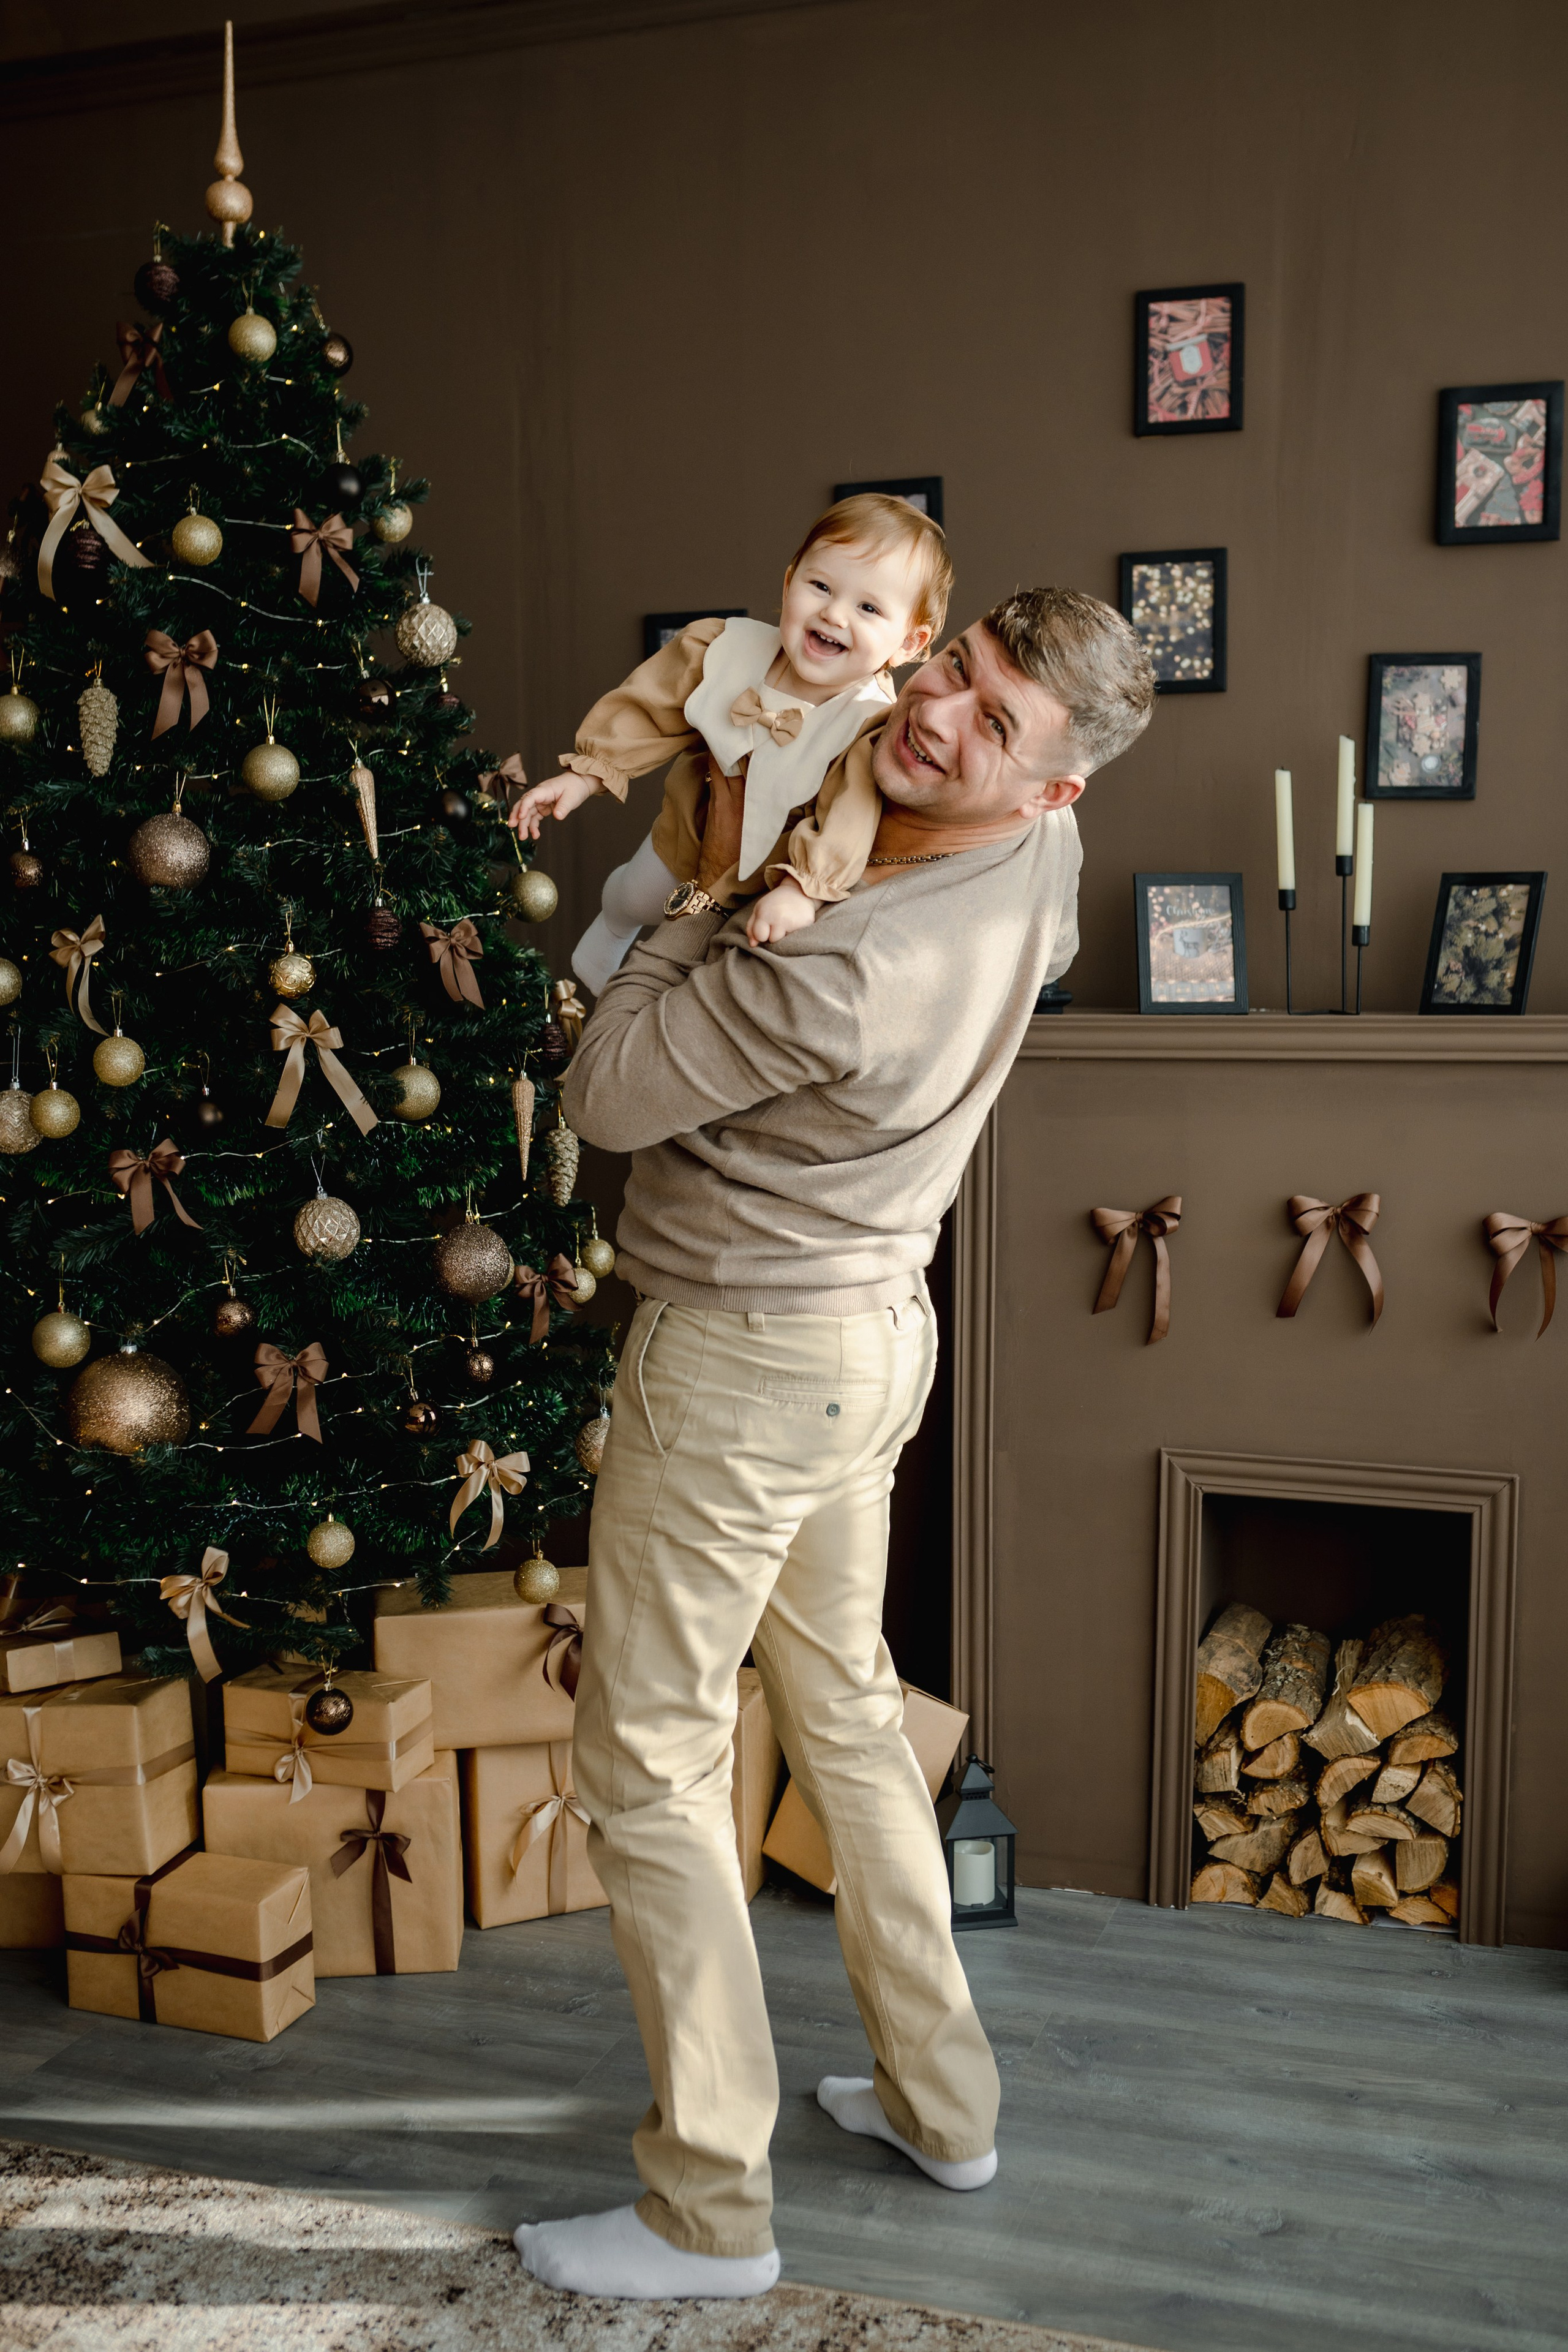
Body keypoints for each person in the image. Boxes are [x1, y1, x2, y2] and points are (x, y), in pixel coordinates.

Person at [513, 587, 1156, 2302]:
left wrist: (705, 894)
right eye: (952, 668)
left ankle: (706, 2213)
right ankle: (948, 2106)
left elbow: (605, 1097)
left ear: (1053, 786)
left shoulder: (852, 961)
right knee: (850, 1712)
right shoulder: (1038, 869)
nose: (936, 714)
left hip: (742, 1360)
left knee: (646, 1765)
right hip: (874, 1340)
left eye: (994, 723)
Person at [507, 494, 952, 987]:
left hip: (775, 874)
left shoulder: (869, 724)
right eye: (821, 586)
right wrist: (585, 776)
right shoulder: (725, 649)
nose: (835, 615)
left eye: (868, 607)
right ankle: (613, 926)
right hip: (690, 833)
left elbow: (850, 817)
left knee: (716, 976)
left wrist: (805, 889)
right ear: (788, 584)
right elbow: (650, 706)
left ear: (910, 643)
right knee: (635, 895)